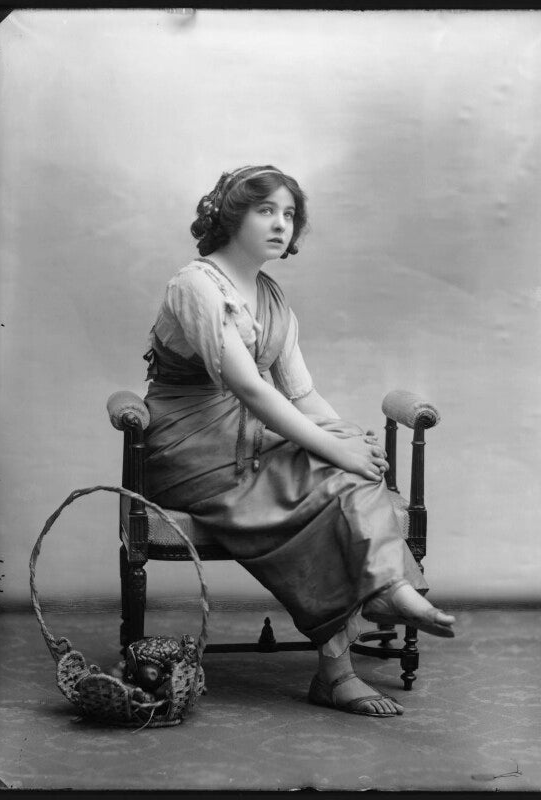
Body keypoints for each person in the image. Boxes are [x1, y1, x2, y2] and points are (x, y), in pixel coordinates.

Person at [143, 165, 455, 718]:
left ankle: (382, 599)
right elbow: (249, 388)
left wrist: (350, 444)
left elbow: (301, 393)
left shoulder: (270, 295)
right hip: (192, 451)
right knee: (334, 466)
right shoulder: (195, 285)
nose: (280, 224)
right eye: (265, 210)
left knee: (348, 462)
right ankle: (370, 618)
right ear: (231, 217)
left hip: (251, 439)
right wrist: (336, 449)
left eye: (288, 214)